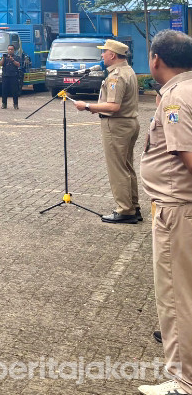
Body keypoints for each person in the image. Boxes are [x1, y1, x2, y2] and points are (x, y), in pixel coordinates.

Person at [137, 30, 192, 395]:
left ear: (156, 58)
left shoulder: (175, 98)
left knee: (175, 296)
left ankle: (184, 380)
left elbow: (187, 155)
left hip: (176, 208)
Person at [73, 38, 141, 224]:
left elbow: (113, 106)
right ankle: (133, 207)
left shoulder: (116, 76)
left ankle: (125, 210)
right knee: (127, 167)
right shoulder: (128, 70)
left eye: (104, 52)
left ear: (112, 55)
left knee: (117, 169)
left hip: (117, 125)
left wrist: (87, 106)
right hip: (129, 123)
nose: (102, 55)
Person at [0, 44, 23, 110]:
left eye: (11, 49)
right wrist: (3, 58)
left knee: (14, 91)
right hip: (5, 76)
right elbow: (0, 64)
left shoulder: (17, 57)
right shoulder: (5, 57)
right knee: (4, 91)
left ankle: (15, 104)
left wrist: (12, 60)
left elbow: (18, 65)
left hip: (13, 76)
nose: (10, 51)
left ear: (14, 50)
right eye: (9, 49)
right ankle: (4, 104)